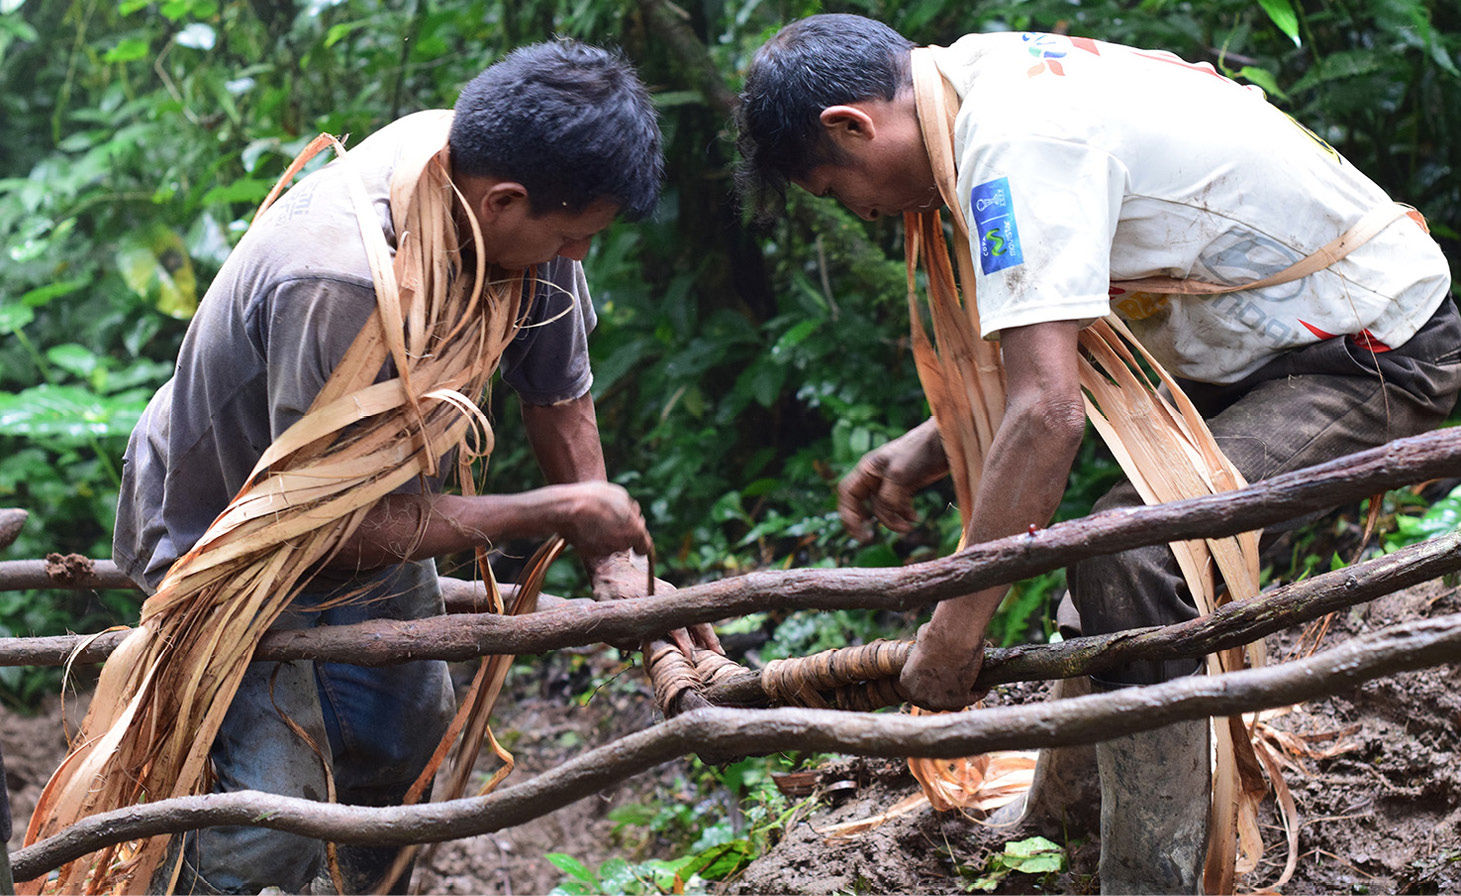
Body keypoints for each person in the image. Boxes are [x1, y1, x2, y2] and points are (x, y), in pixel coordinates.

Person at [735, 13, 1461, 893]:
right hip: (1266, 340)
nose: (869, 211)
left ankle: (1153, 874)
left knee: (1133, 556)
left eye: (836, 190)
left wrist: (952, 632)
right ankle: (1068, 814)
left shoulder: (1012, 148)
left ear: (851, 126)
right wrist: (935, 444)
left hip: (1369, 347)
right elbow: (1052, 347)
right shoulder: (986, 76)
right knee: (1110, 579)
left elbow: (1047, 415)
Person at [113, 39, 683, 894]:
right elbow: (325, 526)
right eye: (572, 235)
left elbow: (557, 395)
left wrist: (615, 559)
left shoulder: (515, 214)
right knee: (270, 821)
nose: (579, 257)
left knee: (399, 753)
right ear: (505, 202)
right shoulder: (338, 276)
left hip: (370, 505)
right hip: (223, 536)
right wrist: (549, 511)